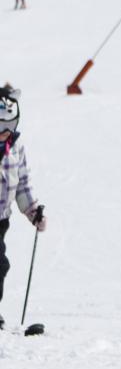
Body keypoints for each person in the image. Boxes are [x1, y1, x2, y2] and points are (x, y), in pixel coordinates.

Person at [0, 85, 46, 329]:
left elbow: (22, 186)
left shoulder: (15, 147)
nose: (5, 132)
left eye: (10, 125)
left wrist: (32, 212)